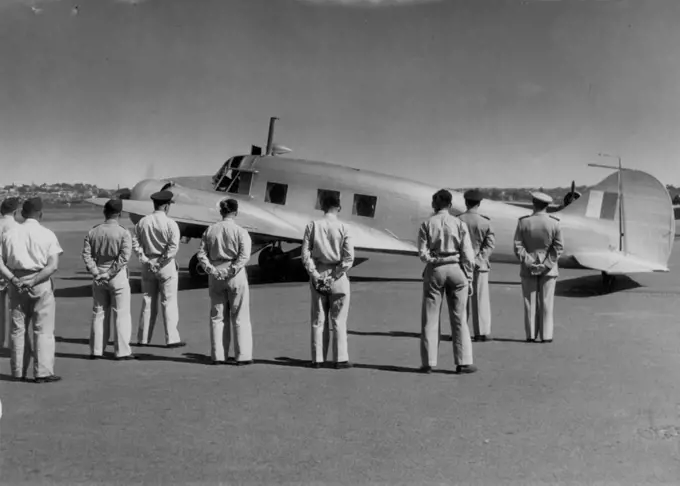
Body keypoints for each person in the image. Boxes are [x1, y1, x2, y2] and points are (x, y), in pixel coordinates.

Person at [0, 197, 63, 383]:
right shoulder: (48, 234)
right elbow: (53, 266)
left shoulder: (10, 234)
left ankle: (18, 370)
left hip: (16, 280)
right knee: (43, 328)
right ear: (40, 214)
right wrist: (34, 280)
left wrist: (12, 279)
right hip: (40, 280)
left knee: (17, 329)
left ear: (22, 213)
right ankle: (42, 371)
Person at [418, 189, 477, 374]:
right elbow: (468, 255)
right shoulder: (459, 223)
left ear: (434, 205)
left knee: (430, 316)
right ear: (450, 205)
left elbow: (422, 254)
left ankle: (428, 362)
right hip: (457, 268)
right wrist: (469, 277)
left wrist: (434, 260)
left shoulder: (426, 224)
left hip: (435, 269)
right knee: (459, 318)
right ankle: (463, 362)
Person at [196, 198, 253, 365]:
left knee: (217, 316)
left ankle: (218, 355)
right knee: (240, 315)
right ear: (236, 212)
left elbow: (201, 254)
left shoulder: (210, 230)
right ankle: (242, 355)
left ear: (221, 212)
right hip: (235, 273)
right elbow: (244, 256)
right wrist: (231, 270)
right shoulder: (241, 231)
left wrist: (211, 270)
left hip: (215, 272)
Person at [301, 193, 354, 369]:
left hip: (319, 271)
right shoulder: (344, 228)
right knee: (339, 319)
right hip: (337, 275)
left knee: (318, 318)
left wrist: (315, 274)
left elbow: (305, 254)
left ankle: (317, 359)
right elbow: (348, 258)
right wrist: (336, 275)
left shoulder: (312, 226)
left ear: (322, 206)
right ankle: (340, 359)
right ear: (338, 207)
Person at [131, 190, 185, 348]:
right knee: (169, 302)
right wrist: (161, 262)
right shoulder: (171, 224)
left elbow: (136, 244)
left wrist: (146, 260)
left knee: (148, 300)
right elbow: (173, 247)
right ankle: (172, 338)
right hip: (165, 265)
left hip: (148, 263)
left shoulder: (142, 222)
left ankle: (143, 338)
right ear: (167, 206)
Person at [81, 198, 134, 360]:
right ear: (119, 213)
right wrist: (109, 272)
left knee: (99, 312)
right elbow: (124, 257)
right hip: (116, 275)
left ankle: (96, 350)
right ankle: (122, 351)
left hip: (99, 273)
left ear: (105, 212)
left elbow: (86, 254)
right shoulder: (124, 232)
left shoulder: (93, 231)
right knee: (121, 313)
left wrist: (96, 272)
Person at [513, 192, 564, 343]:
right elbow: (558, 247)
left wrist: (529, 262)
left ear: (533, 202)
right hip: (549, 269)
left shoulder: (523, 222)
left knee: (530, 302)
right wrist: (546, 264)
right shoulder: (555, 223)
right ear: (547, 205)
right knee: (547, 303)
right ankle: (546, 335)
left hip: (528, 267)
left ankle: (531, 335)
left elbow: (518, 246)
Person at [458, 189, 496, 342]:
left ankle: (461, 330)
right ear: (479, 204)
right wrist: (479, 259)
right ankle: (481, 332)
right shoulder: (485, 221)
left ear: (466, 202)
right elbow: (489, 245)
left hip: (461, 265)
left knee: (461, 300)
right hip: (480, 266)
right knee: (480, 299)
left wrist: (465, 259)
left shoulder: (457, 220)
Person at [0, 197, 19, 350]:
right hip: (12, 271)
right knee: (16, 310)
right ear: (15, 211)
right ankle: (14, 345)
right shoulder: (16, 227)